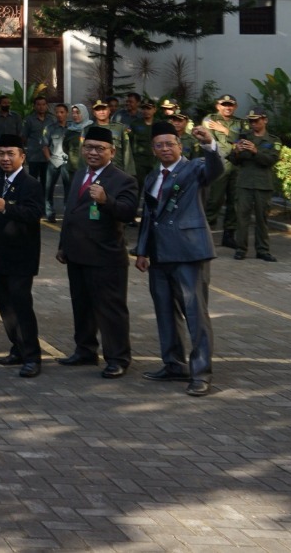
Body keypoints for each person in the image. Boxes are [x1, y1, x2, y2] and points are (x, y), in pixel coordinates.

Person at [135, 119, 224, 396]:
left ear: (180, 145)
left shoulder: (195, 168)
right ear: (153, 149)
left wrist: (209, 144)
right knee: (164, 311)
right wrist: (141, 250)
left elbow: (216, 168)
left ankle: (200, 374)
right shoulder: (152, 177)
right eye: (159, 145)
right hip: (159, 254)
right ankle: (173, 364)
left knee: (195, 313)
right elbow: (149, 217)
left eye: (169, 144)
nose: (164, 149)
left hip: (189, 251)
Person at [55, 124, 140, 378]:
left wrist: (106, 201)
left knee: (110, 310)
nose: (93, 152)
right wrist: (63, 245)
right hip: (77, 255)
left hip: (106, 258)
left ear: (112, 151)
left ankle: (118, 358)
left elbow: (127, 213)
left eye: (100, 148)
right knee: (81, 306)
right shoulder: (80, 174)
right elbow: (70, 213)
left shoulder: (123, 180)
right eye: (89, 147)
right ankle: (85, 350)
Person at [0, 136, 45, 377]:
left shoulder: (31, 184)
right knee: (6, 308)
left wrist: (8, 207)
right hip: (0, 256)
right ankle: (17, 348)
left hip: (22, 257)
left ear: (22, 156)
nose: (5, 158)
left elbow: (34, 213)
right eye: (1, 154)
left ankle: (32, 356)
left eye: (11, 153)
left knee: (21, 307)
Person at [229, 110, 281, 261]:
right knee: (242, 217)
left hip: (262, 184)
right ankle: (240, 249)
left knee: (262, 219)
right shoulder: (244, 138)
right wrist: (237, 152)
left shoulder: (273, 140)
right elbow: (234, 160)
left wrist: (255, 151)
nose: (253, 124)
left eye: (256, 120)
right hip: (244, 183)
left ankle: (263, 250)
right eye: (251, 121)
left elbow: (271, 160)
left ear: (265, 120)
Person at [203, 94, 245, 248]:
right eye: (224, 104)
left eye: (230, 105)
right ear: (217, 106)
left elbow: (244, 139)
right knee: (215, 200)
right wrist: (234, 147)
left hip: (236, 166)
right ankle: (205, 233)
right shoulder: (210, 120)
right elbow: (212, 143)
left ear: (235, 106)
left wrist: (226, 131)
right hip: (219, 165)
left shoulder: (240, 122)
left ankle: (229, 234)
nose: (227, 107)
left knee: (234, 201)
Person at [0, 95, 21, 163]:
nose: (7, 105)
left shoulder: (16, 116)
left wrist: (20, 148)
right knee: (2, 171)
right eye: (4, 103)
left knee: (13, 171)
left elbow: (20, 133)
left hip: (13, 148)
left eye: (8, 103)